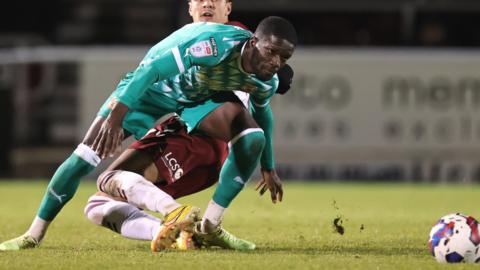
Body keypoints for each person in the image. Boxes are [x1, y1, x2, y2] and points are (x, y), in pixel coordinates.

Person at [0, 15, 297, 251]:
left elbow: (263, 115)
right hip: (152, 90)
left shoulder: (265, 82)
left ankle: (209, 226)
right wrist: (116, 118)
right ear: (254, 41)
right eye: (271, 52)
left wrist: (268, 166)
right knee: (85, 157)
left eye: (283, 59)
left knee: (251, 137)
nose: (275, 63)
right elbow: (151, 71)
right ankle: (34, 234)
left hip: (194, 100)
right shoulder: (214, 45)